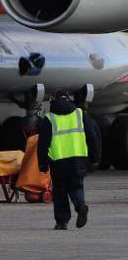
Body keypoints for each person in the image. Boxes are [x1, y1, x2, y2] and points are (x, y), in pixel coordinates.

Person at [37, 89, 100, 230]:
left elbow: (43, 144)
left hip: (58, 162)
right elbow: (92, 135)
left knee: (60, 193)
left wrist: (42, 163)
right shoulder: (80, 114)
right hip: (78, 160)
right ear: (69, 99)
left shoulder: (49, 118)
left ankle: (62, 222)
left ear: (54, 100)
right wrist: (95, 156)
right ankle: (80, 205)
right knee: (76, 186)